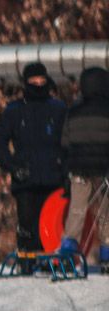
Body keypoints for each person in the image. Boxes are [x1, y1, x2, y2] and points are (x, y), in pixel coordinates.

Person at [0, 62, 67, 261]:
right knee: (27, 224)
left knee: (51, 224)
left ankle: (51, 259)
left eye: (42, 80)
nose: (38, 84)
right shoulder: (15, 110)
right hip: (25, 179)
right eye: (34, 81)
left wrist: (65, 168)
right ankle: (27, 258)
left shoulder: (58, 109)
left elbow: (68, 142)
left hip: (53, 177)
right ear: (26, 83)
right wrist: (12, 166)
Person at [60, 66, 109, 271]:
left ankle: (69, 250)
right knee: (106, 212)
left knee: (77, 210)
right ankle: (107, 250)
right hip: (104, 169)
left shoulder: (74, 111)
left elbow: (64, 142)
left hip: (79, 169)